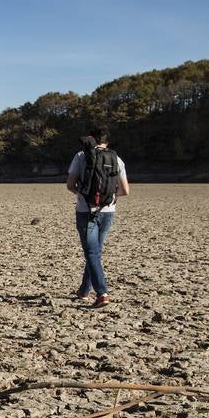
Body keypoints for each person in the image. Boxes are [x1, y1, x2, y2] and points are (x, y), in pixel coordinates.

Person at [66, 128, 130, 306]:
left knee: (92, 252)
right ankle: (85, 290)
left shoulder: (81, 155)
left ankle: (102, 293)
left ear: (91, 139)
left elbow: (70, 184)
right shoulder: (116, 159)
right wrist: (110, 198)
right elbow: (125, 190)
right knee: (94, 252)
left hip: (86, 210)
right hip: (108, 211)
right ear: (107, 142)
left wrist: (83, 195)